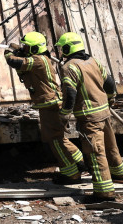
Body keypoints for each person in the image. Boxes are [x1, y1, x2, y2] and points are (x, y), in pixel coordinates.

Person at [55, 31, 123, 201]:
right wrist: (110, 99)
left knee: (95, 153)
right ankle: (120, 175)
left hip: (89, 118)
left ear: (67, 48)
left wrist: (64, 115)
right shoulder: (93, 60)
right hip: (104, 112)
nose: (60, 52)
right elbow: (109, 82)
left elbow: (70, 95)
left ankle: (104, 193)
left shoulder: (69, 67)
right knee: (110, 146)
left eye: (61, 48)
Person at [5, 32, 85, 184]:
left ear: (35, 49)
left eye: (28, 47)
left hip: (50, 104)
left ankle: (76, 167)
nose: (25, 48)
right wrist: (20, 50)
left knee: (55, 139)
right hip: (48, 104)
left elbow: (14, 62)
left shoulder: (38, 60)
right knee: (57, 138)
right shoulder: (39, 59)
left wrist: (9, 52)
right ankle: (76, 167)